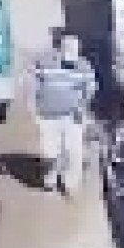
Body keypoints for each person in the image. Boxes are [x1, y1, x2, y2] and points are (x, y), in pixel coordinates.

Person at [27, 30, 97, 195]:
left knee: (74, 152)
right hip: (47, 117)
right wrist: (33, 110)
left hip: (72, 116)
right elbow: (32, 86)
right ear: (59, 50)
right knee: (50, 153)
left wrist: (83, 107)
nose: (70, 62)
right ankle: (50, 179)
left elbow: (90, 89)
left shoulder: (83, 66)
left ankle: (70, 185)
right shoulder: (44, 63)